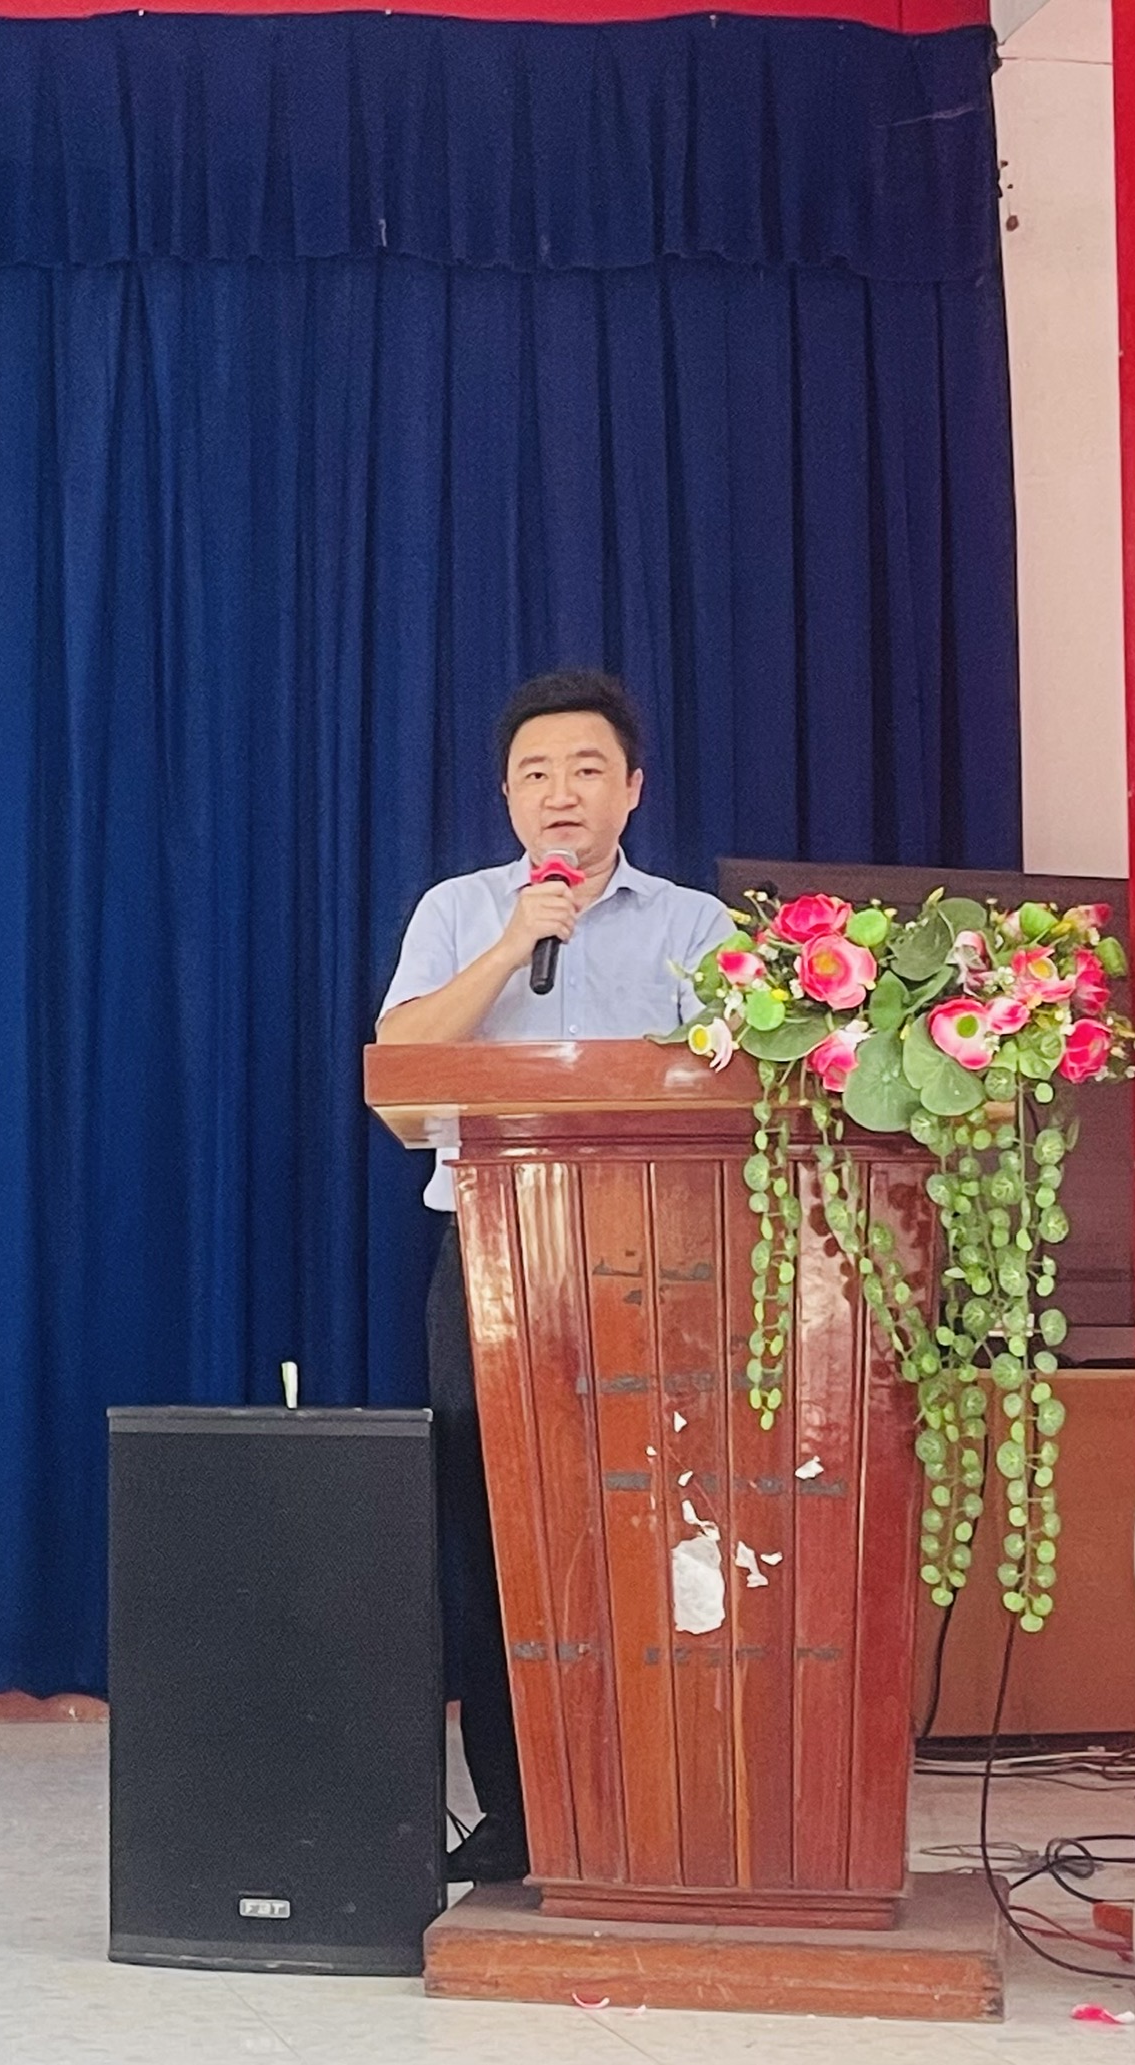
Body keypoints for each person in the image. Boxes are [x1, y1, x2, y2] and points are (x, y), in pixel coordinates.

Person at [376, 669, 732, 1884]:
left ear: (632, 790)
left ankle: (668, 1800)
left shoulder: (695, 929)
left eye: (585, 769)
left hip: (660, 1261)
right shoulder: (458, 911)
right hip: (491, 1255)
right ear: (507, 798)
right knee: (494, 1534)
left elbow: (739, 1086)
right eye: (534, 773)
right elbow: (400, 1074)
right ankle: (519, 1814)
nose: (559, 793)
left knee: (662, 1521)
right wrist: (510, 946)